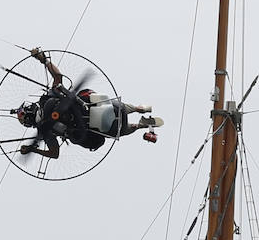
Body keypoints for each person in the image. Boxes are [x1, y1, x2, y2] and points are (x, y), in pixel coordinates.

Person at [15, 48, 161, 159]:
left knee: (113, 121)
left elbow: (54, 153)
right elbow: (58, 76)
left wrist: (43, 59)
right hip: (96, 122)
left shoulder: (45, 125)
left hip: (96, 117)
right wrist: (43, 59)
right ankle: (140, 111)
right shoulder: (46, 123)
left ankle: (141, 124)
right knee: (114, 112)